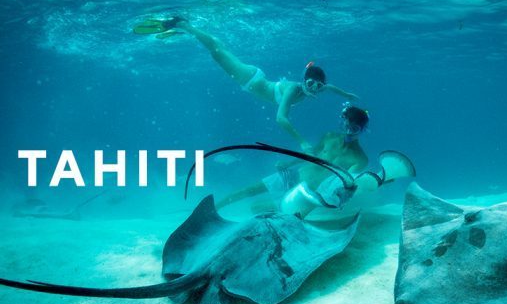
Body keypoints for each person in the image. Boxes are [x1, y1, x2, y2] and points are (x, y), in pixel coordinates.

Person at [140, 17, 359, 152]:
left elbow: (331, 88)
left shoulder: (320, 88)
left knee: (220, 49)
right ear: (304, 80)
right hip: (251, 80)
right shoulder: (293, 90)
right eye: (310, 83)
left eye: (318, 86)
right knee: (216, 51)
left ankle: (184, 29)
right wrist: (301, 142)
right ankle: (183, 25)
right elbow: (281, 118)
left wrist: (346, 93)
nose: (314, 88)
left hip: (257, 78)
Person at [216, 103, 370, 210]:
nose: (348, 131)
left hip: (306, 194)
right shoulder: (329, 137)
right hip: (295, 175)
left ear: (362, 130)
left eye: (354, 128)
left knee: (256, 208)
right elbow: (311, 154)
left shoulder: (360, 159)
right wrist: (289, 164)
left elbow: (349, 184)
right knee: (248, 190)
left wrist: (344, 196)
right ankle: (215, 207)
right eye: (346, 125)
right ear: (342, 123)